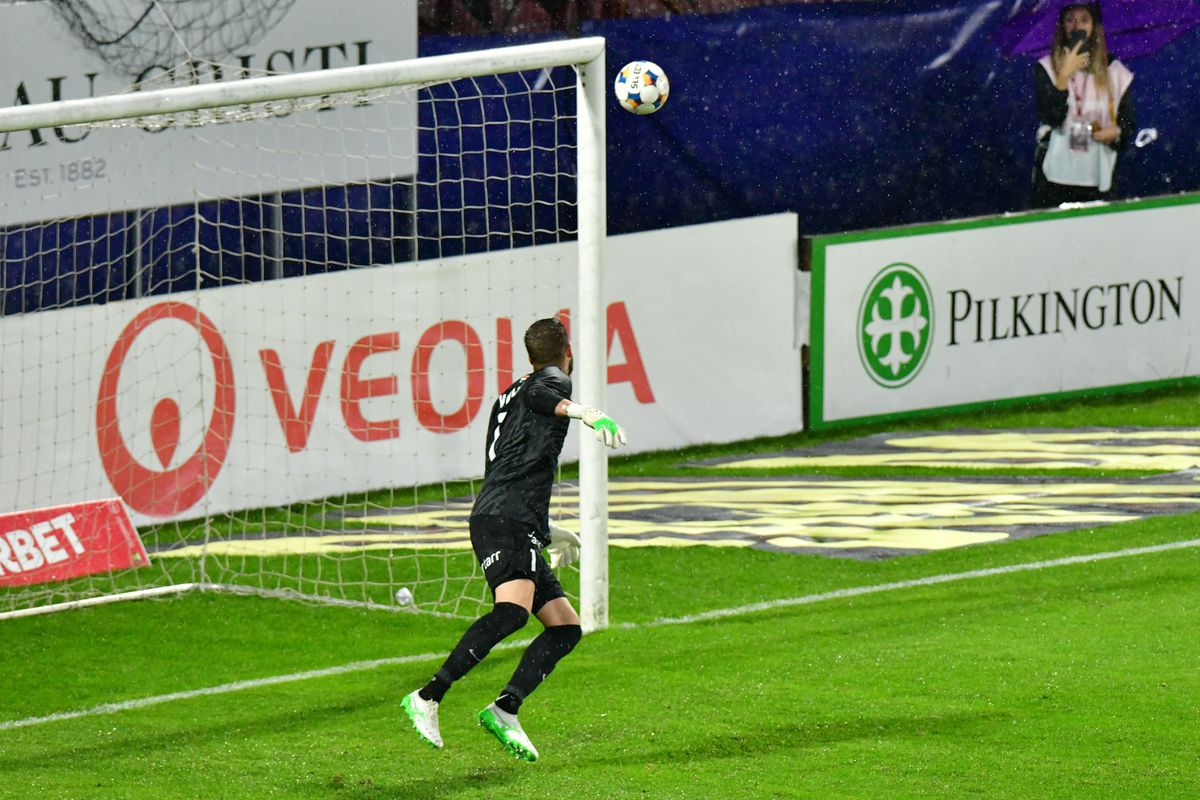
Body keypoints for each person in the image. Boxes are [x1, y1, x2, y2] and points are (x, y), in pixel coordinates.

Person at [401, 317, 627, 762]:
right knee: (511, 613)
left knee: (565, 627)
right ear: (567, 352)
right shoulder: (552, 381)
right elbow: (548, 396)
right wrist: (584, 411)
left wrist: (546, 531)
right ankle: (428, 696)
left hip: (508, 516)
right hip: (506, 520)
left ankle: (506, 708)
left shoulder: (508, 394)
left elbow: (507, 466)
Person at [1031, 2, 1136, 208]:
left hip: (1098, 179)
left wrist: (1115, 133)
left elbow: (1127, 129)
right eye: (1070, 19)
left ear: (1095, 27)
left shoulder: (1115, 72)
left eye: (1084, 19)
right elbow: (1052, 117)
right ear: (1062, 26)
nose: (1077, 25)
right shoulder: (1046, 67)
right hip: (1054, 180)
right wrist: (1063, 78)